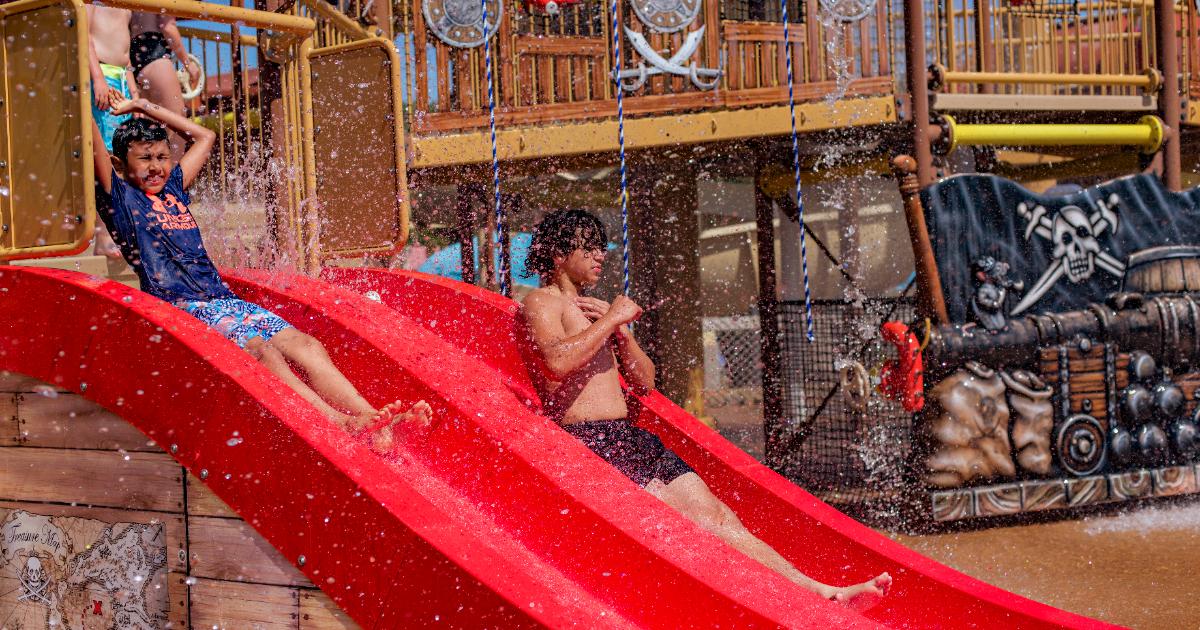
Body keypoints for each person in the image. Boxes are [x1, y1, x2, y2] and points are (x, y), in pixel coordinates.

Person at [519, 209, 891, 610]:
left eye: (601, 246)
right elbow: (555, 361)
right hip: (592, 443)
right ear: (558, 254)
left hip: (630, 438)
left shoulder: (597, 309)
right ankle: (771, 605)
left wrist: (623, 336)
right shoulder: (541, 301)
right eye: (589, 247)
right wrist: (610, 319)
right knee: (688, 529)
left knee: (719, 517)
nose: (601, 254)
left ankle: (819, 593)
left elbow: (645, 383)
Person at [90, 96, 430, 451]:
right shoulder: (122, 199)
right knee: (262, 351)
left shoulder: (173, 188)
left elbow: (204, 137)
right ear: (120, 163)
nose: (156, 166)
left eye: (162, 157)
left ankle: (371, 418)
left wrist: (145, 106)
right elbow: (91, 143)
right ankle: (339, 422)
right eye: (144, 158)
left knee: (306, 345)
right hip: (184, 307)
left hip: (224, 300)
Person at [86, 4, 137, 260]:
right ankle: (103, 234)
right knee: (105, 158)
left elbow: (126, 55)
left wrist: (134, 89)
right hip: (104, 77)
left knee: (121, 156)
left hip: (120, 81)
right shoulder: (92, 4)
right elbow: (84, 40)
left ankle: (121, 228)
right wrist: (97, 79)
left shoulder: (125, 8)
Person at [130, 12, 202, 160]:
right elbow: (168, 26)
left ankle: (152, 180)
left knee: (152, 132)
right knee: (178, 127)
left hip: (134, 55)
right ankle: (172, 181)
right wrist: (188, 64)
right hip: (154, 51)